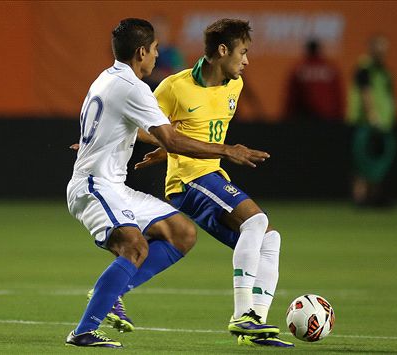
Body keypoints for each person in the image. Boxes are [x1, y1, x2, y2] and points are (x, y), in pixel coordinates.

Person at [65, 18, 269, 349]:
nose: (158, 56)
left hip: (111, 185)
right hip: (95, 186)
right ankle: (85, 330)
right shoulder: (133, 88)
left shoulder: (106, 79)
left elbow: (129, 129)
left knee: (182, 234)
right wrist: (227, 150)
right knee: (135, 247)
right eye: (156, 49)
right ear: (141, 51)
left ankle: (113, 293)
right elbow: (172, 139)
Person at [134, 18, 294, 348]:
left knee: (269, 238)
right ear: (223, 51)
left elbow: (197, 133)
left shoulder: (234, 86)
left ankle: (256, 324)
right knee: (257, 220)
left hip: (211, 177)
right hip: (187, 181)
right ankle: (241, 316)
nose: (247, 61)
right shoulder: (174, 87)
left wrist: (164, 151)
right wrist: (155, 146)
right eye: (243, 52)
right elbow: (142, 127)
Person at [346, 35, 397, 207]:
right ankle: (360, 197)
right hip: (367, 123)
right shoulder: (365, 69)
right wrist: (372, 115)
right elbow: (365, 93)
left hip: (384, 124)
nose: (383, 53)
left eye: (385, 49)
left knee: (378, 164)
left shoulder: (384, 71)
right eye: (379, 48)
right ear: (372, 49)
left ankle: (375, 197)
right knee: (362, 162)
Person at [285, 39, 344, 121]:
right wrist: (339, 116)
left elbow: (292, 97)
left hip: (306, 119)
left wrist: (288, 117)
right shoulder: (330, 68)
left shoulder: (299, 69)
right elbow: (337, 94)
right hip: (329, 117)